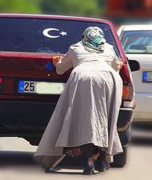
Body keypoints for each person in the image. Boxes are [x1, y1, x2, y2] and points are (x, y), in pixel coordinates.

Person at [34, 26, 123, 175]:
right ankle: (102, 159)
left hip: (83, 76)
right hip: (108, 78)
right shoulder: (109, 48)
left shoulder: (75, 47)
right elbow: (116, 67)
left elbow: (60, 69)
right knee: (105, 119)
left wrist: (57, 63)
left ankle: (89, 159)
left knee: (85, 121)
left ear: (84, 37)